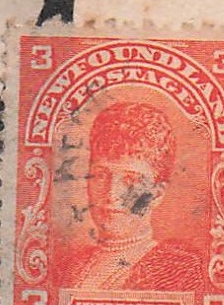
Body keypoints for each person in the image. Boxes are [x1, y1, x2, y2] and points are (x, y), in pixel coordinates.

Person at [62, 100, 206, 293]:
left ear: (156, 194)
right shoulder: (69, 267)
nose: (111, 194)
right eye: (101, 175)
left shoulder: (180, 271)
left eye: (130, 180)